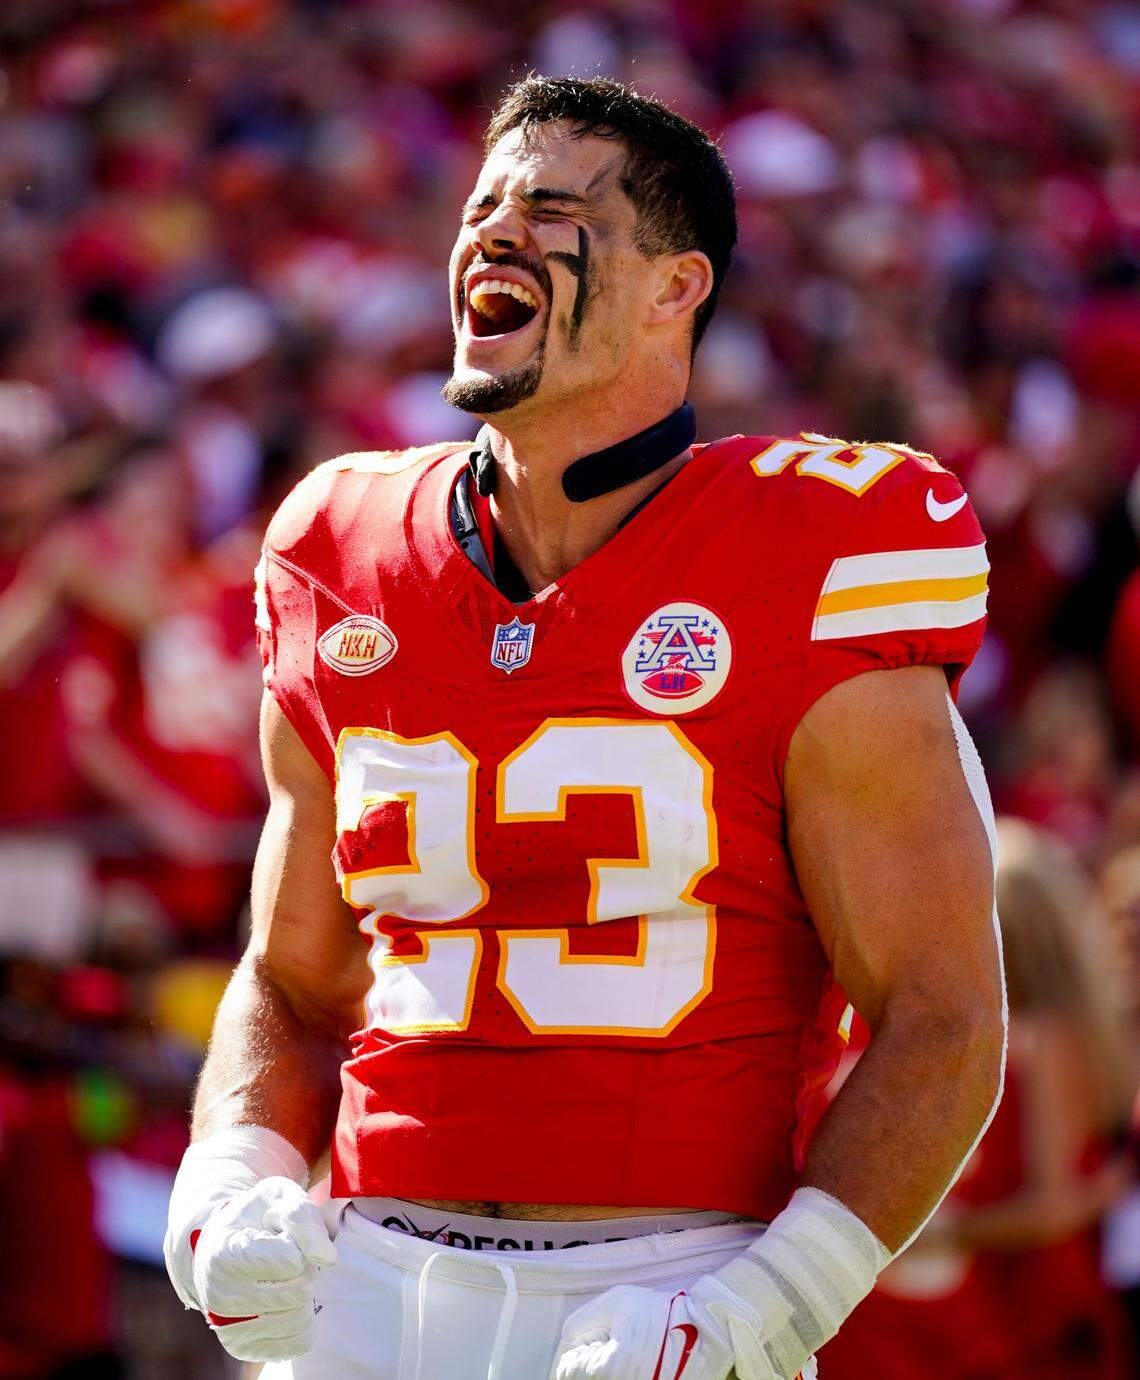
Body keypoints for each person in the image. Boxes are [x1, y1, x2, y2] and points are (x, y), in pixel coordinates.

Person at [163, 76, 1005, 1380]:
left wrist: (774, 1301)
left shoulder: (827, 543)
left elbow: (945, 1015)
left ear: (676, 288)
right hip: (367, 1275)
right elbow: (290, 978)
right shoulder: (338, 541)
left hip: (667, 1282)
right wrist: (229, 1170)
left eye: (555, 211)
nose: (493, 233)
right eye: (482, 206)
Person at [821, 818, 1136, 1380]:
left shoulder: (1043, 1042)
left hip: (1034, 1315)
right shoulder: (1009, 1038)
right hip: (979, 1311)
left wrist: (929, 1232)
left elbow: (1050, 1210)